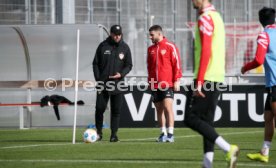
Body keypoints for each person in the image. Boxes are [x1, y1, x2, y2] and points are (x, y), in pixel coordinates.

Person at [184, 0, 239, 168]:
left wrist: (199, 82)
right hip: (216, 76)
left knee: (191, 119)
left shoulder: (205, 18)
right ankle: (207, 164)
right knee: (206, 123)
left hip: (206, 77)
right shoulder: (216, 17)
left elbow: (206, 50)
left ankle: (228, 148)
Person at [241, 7, 276, 163]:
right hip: (272, 85)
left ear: (260, 20)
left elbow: (259, 60)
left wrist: (245, 68)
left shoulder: (264, 35)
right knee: (268, 118)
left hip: (275, 83)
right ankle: (265, 152)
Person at [92, 25, 132, 142]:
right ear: (110, 34)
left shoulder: (125, 48)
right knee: (99, 108)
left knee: (116, 110)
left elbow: (129, 65)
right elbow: (95, 63)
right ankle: (99, 132)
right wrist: (98, 79)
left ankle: (114, 134)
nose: (117, 36)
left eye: (119, 34)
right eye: (115, 34)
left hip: (117, 84)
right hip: (103, 83)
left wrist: (121, 74)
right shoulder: (103, 46)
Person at [147, 25, 182, 143]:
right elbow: (149, 67)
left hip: (167, 83)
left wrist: (177, 80)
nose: (150, 37)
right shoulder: (150, 49)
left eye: (152, 35)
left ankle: (171, 134)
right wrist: (150, 82)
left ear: (159, 34)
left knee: (168, 107)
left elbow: (176, 64)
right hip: (154, 84)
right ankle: (163, 133)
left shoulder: (170, 46)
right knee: (159, 110)